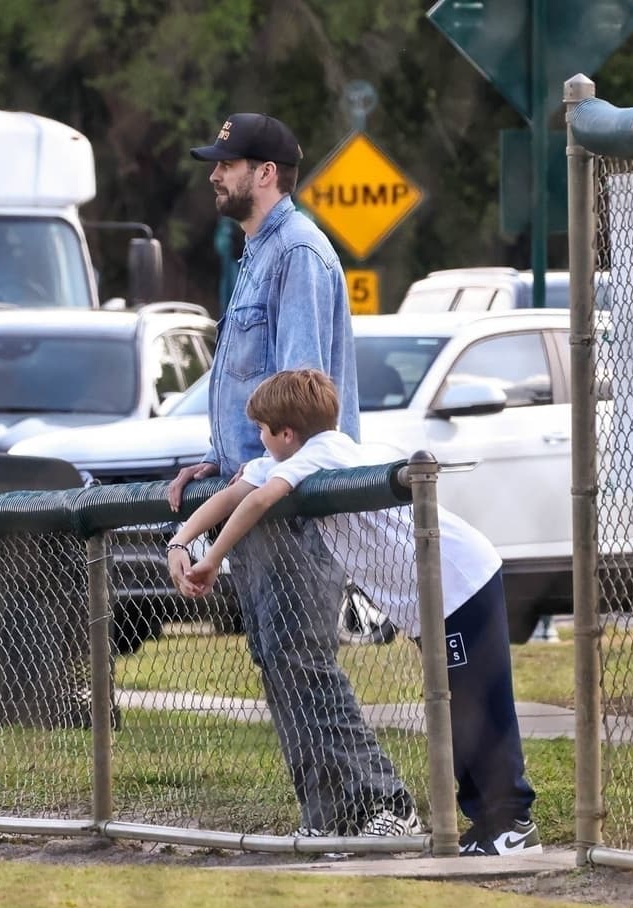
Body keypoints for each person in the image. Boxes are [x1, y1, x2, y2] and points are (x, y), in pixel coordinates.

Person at [168, 369, 540, 856]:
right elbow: (234, 494)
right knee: (456, 710)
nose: (258, 441)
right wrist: (181, 541)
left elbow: (259, 498)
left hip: (459, 582)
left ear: (287, 433)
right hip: (432, 599)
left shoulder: (326, 452)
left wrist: (212, 559)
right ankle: (488, 825)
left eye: (262, 430)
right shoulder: (293, 457)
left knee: (479, 708)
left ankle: (512, 824)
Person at [168, 113, 418, 838]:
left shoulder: (298, 253)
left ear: (266, 173)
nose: (216, 175)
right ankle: (334, 821)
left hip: (294, 500)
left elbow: (300, 403)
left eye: (227, 163)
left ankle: (386, 806)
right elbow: (262, 402)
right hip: (259, 489)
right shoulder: (259, 254)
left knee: (301, 659)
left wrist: (247, 474)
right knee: (280, 659)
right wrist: (222, 458)